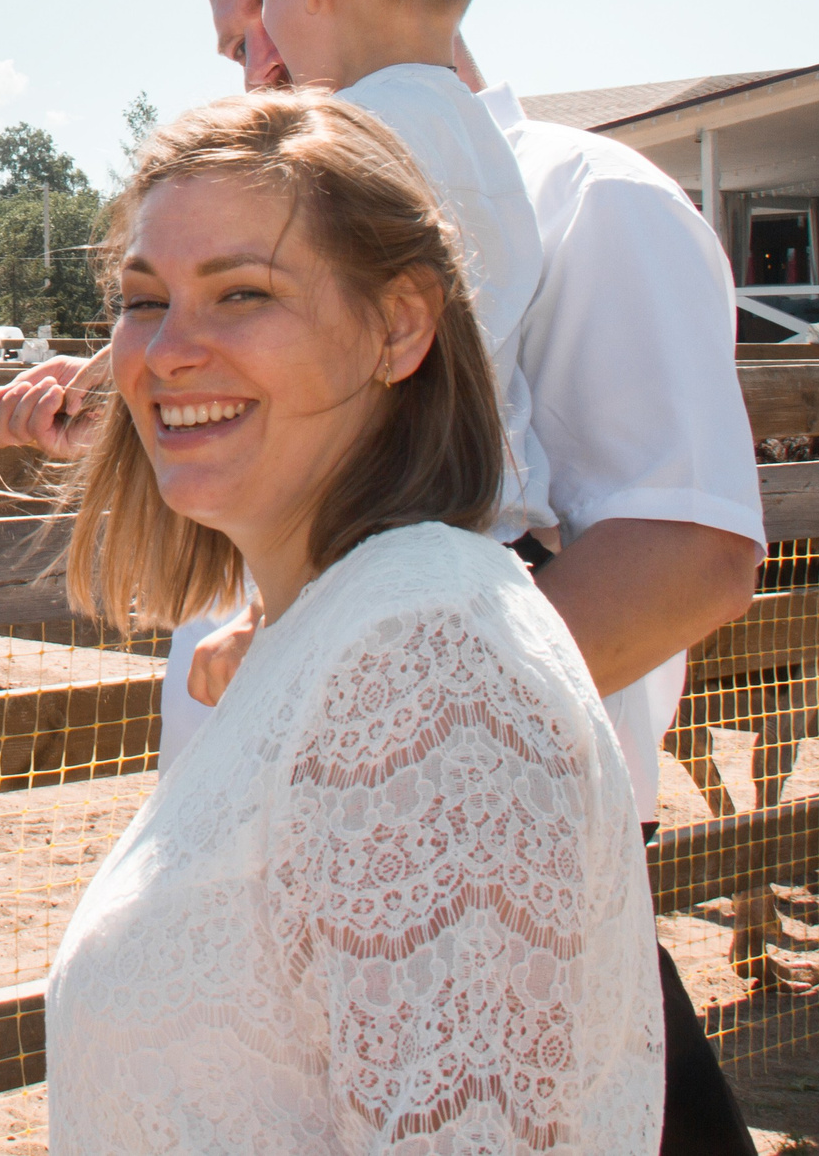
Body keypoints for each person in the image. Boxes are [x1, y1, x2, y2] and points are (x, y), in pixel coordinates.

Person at [0, 0, 767, 1155]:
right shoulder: (385, 192)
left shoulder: (591, 200)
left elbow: (690, 549)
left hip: (466, 848)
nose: (250, 73)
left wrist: (363, 707)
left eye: (255, 25)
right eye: (232, 52)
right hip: (293, 863)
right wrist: (132, 404)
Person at [44, 90, 662, 1154]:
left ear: (399, 325)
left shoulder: (428, 666)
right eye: (144, 300)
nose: (167, 351)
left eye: (241, 293)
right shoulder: (338, 633)